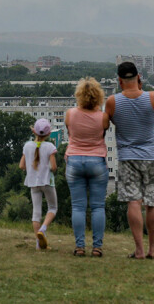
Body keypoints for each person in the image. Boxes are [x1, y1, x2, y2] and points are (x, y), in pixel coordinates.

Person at [105, 61, 154, 260]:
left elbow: (109, 120)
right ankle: (152, 250)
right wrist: (141, 89)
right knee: (152, 202)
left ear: (119, 81)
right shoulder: (153, 97)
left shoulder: (112, 102)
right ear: (139, 77)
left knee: (134, 201)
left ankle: (138, 250)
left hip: (127, 157)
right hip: (151, 157)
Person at [64, 77, 109, 257]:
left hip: (74, 161)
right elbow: (103, 134)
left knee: (78, 207)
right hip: (97, 161)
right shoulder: (103, 117)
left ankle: (79, 246)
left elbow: (70, 132)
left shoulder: (70, 114)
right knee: (98, 207)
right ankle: (97, 247)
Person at [19, 118, 58, 250]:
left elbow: (21, 165)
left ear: (34, 131)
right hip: (47, 181)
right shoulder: (50, 147)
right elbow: (53, 167)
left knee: (36, 212)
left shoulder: (27, 146)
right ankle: (43, 228)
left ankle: (38, 244)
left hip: (33, 183)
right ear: (48, 134)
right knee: (52, 208)